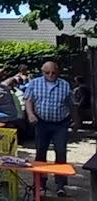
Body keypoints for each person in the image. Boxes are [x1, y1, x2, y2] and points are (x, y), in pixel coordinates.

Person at [23, 61, 73, 191]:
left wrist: (76, 120)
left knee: (61, 152)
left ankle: (60, 184)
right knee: (40, 152)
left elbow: (70, 104)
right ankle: (40, 182)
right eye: (47, 72)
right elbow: (28, 100)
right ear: (42, 72)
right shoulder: (35, 83)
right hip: (42, 122)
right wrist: (30, 114)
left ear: (58, 72)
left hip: (60, 123)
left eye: (53, 72)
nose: (51, 75)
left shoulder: (64, 85)